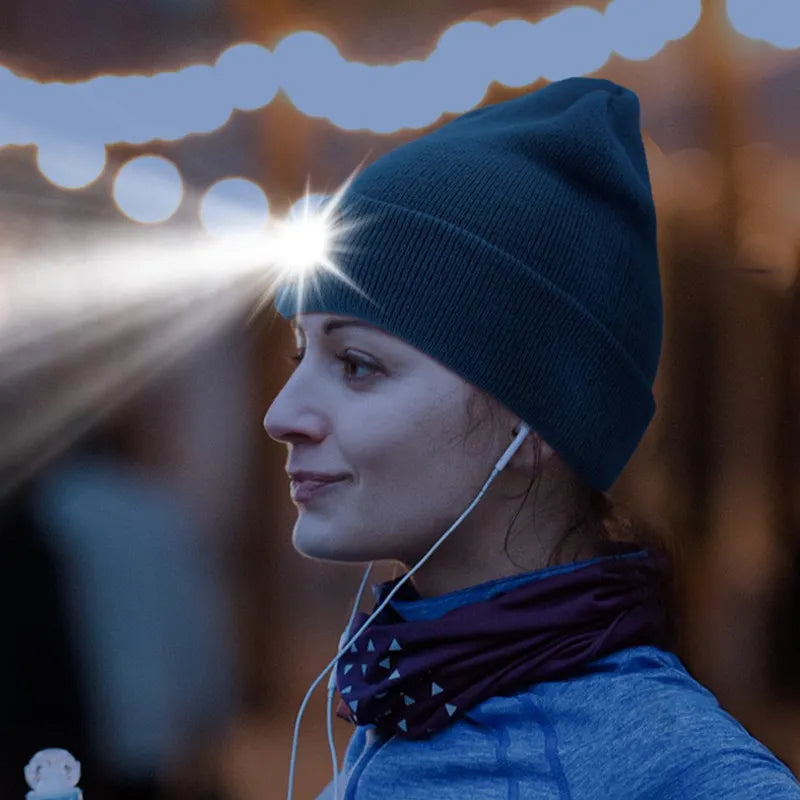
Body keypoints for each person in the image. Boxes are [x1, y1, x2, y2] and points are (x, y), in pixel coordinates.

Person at [263, 77, 800, 798]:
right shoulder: (413, 704)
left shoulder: (683, 776)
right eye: (302, 355)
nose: (281, 415)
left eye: (357, 364)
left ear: (535, 418)